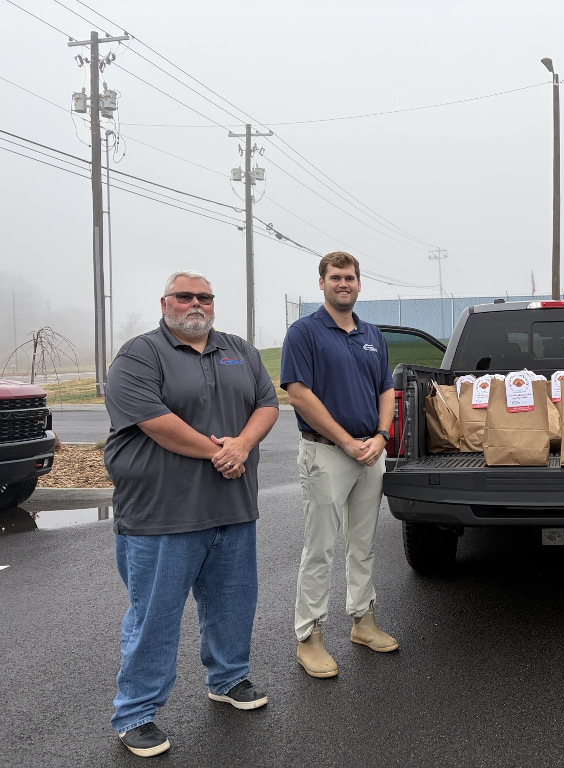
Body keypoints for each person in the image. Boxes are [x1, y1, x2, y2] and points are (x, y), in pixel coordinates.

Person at [104, 270, 279, 757]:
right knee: (154, 616)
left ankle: (228, 680)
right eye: (185, 296)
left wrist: (242, 444)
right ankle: (135, 712)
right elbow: (156, 422)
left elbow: (267, 403)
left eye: (204, 296)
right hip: (162, 515)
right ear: (165, 303)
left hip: (233, 507)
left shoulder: (238, 349)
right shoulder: (140, 354)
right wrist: (219, 452)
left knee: (232, 604)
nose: (195, 303)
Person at [280, 251, 398, 679]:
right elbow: (299, 394)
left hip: (371, 453)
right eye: (335, 277)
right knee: (320, 548)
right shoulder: (305, 332)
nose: (342, 283)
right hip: (327, 454)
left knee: (363, 544)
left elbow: (386, 388)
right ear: (322, 284)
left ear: (359, 284)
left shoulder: (372, 334)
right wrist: (346, 441)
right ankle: (309, 639)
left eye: (349, 277)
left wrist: (382, 436)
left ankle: (363, 623)